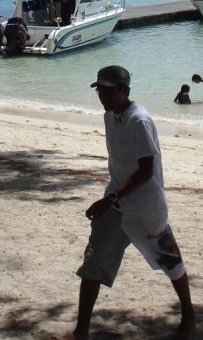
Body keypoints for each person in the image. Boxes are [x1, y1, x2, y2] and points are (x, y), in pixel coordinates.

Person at [69, 65, 195, 340]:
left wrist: (110, 198)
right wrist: (111, 198)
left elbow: (146, 170)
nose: (103, 96)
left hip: (146, 206)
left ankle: (188, 313)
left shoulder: (139, 120)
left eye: (109, 91)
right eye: (99, 90)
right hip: (116, 202)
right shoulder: (109, 115)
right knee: (93, 261)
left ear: (125, 91)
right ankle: (81, 332)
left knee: (169, 259)